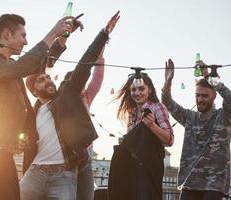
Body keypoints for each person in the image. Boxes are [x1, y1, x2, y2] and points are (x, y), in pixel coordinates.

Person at [0, 13, 81, 200]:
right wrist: (52, 33)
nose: (25, 41)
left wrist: (61, 40)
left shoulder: (11, 66)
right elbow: (23, 66)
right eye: (22, 35)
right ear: (6, 34)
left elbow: (37, 64)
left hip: (1, 152)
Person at [20, 11, 120, 200]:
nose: (48, 81)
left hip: (64, 175)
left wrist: (104, 34)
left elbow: (84, 65)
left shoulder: (67, 93)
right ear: (34, 90)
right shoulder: (32, 113)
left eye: (48, 77)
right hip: (36, 172)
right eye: (42, 80)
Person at [162, 59, 231, 200]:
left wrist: (209, 77)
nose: (200, 99)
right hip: (191, 181)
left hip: (215, 183)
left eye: (205, 95)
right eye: (198, 95)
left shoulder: (224, 116)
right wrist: (168, 82)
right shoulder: (189, 117)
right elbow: (167, 103)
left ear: (214, 96)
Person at [108, 73, 174, 200]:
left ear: (149, 89)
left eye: (141, 89)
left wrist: (153, 126)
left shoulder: (157, 107)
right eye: (133, 89)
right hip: (130, 168)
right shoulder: (132, 112)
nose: (137, 93)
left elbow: (170, 140)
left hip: (148, 168)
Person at [64, 50, 105, 200]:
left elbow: (97, 79)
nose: (82, 87)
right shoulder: (60, 102)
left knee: (87, 196)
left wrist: (99, 56)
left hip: (86, 160)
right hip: (66, 160)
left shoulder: (85, 98)